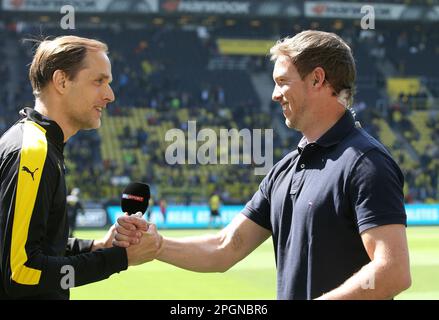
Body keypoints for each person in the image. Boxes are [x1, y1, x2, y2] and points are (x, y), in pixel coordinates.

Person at [114, 30, 411, 300]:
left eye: (283, 82)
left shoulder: (366, 163)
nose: (274, 94)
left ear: (317, 79)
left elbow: (393, 270)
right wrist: (158, 245)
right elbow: (225, 247)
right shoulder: (285, 169)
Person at [0, 35, 161, 300]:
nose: (110, 95)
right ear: (62, 81)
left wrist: (97, 247)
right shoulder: (33, 152)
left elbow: (36, 246)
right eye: (99, 81)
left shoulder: (38, 145)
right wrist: (118, 258)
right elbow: (22, 271)